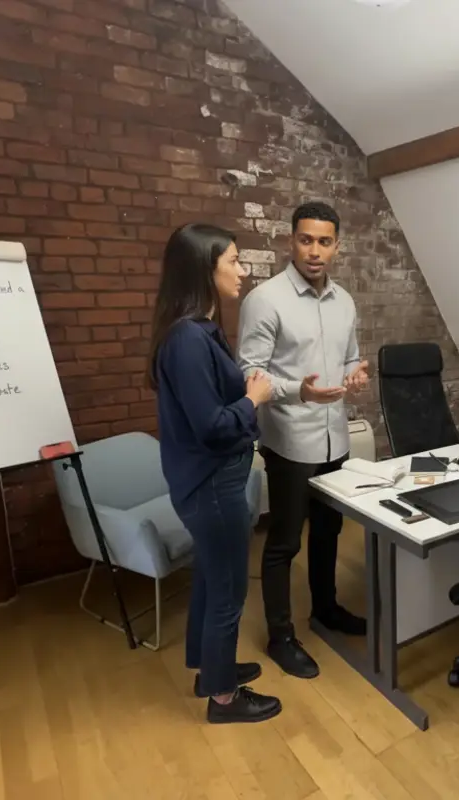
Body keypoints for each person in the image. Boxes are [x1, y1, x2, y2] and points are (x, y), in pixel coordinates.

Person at [150, 223, 281, 724]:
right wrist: (253, 398)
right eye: (233, 262)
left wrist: (242, 392)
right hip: (210, 486)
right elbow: (210, 427)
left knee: (210, 577)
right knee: (228, 589)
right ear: (205, 269)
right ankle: (224, 699)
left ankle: (211, 671)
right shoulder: (187, 339)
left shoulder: (199, 330)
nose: (242, 271)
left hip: (210, 482)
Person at [238, 201, 370, 679]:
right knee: (284, 541)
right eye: (306, 240)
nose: (315, 251)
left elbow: (351, 356)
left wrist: (355, 374)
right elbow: (249, 372)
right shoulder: (265, 299)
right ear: (291, 240)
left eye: (324, 242)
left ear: (337, 246)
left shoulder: (345, 301)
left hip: (336, 438)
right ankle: (280, 636)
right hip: (290, 440)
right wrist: (301, 391)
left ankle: (326, 609)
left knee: (330, 531)